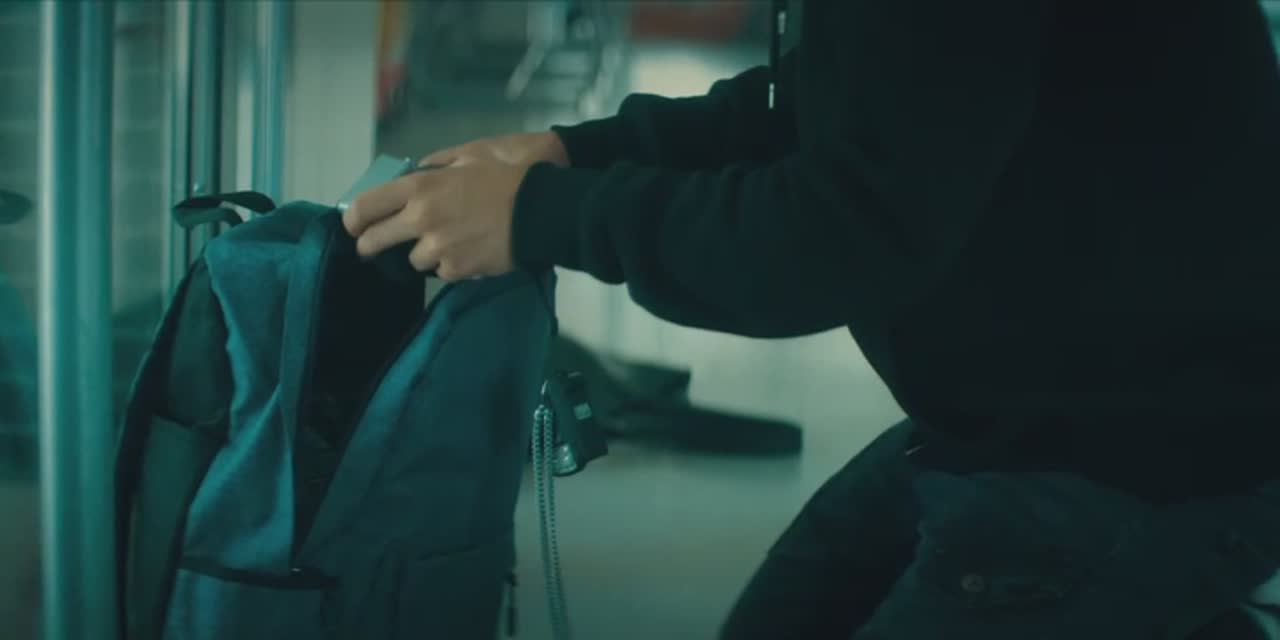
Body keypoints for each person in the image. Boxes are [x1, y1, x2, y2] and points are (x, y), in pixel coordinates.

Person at [344, 0, 1280, 637]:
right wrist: (575, 153)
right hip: (1021, 413)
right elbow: (835, 102)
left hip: (1143, 451)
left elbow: (837, 234)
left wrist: (545, 216)